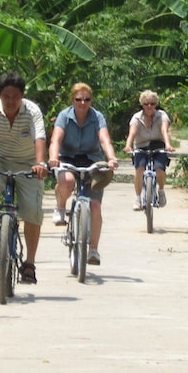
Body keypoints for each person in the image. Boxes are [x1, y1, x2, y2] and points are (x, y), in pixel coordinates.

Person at [0, 72, 49, 284]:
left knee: (32, 210)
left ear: (22, 96)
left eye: (15, 96)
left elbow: (39, 138)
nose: (11, 101)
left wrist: (40, 164)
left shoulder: (32, 111)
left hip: (27, 162)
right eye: (6, 96)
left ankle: (29, 263)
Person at [48, 83, 119, 266]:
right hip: (68, 159)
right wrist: (53, 158)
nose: (82, 103)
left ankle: (93, 249)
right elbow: (56, 139)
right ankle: (61, 206)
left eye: (86, 99)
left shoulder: (97, 117)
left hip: (92, 161)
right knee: (68, 180)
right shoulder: (64, 116)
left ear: (91, 101)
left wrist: (111, 158)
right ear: (72, 100)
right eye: (78, 99)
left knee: (95, 205)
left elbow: (104, 140)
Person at [123, 89, 175, 211]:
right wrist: (128, 145)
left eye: (152, 103)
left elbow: (164, 131)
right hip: (141, 146)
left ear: (156, 104)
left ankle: (161, 191)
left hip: (158, 145)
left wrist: (167, 144)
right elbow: (132, 133)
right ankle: (137, 198)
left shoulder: (162, 115)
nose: (149, 106)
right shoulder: (136, 117)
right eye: (146, 104)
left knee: (160, 168)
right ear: (142, 105)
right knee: (139, 169)